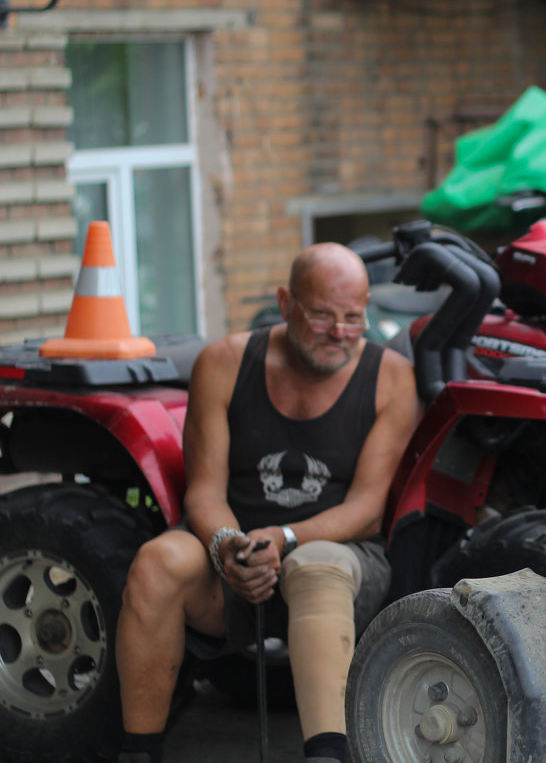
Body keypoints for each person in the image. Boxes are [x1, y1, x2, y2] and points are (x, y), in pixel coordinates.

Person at [115, 243, 420, 763]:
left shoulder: (390, 375)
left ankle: (327, 754)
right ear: (285, 303)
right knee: (157, 562)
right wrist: (228, 546)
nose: (340, 332)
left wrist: (284, 538)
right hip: (234, 558)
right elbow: (205, 491)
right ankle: (138, 752)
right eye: (322, 314)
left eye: (353, 317)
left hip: (340, 559)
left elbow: (367, 509)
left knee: (315, 564)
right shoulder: (226, 362)